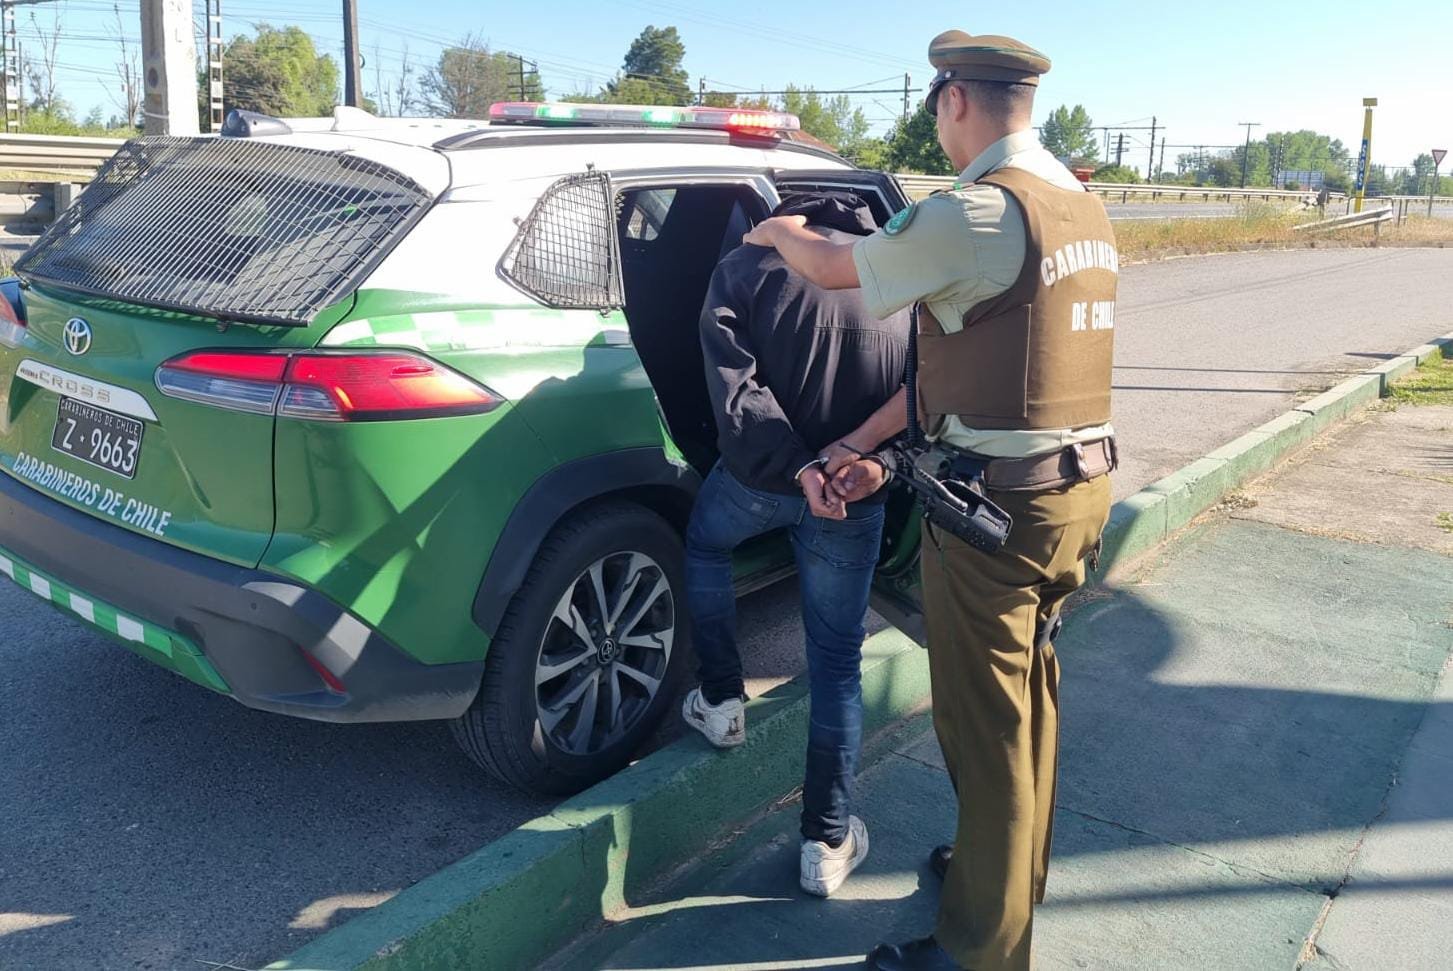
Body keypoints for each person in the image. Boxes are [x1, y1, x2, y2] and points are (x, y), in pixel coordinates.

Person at [741, 30, 1118, 971]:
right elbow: (971, 373)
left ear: (954, 100)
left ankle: (978, 952)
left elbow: (836, 270)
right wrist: (858, 443)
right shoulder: (1080, 207)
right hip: (1071, 499)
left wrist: (775, 227)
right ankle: (1002, 877)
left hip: (1000, 512)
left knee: (984, 730)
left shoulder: (980, 212)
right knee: (1028, 704)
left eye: (933, 105)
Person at [680, 192, 910, 899]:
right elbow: (928, 391)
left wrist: (798, 469)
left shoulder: (747, 263)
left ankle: (721, 703)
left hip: (763, 478)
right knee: (836, 662)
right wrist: (874, 466)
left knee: (705, 544)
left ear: (787, 218)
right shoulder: (904, 274)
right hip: (855, 490)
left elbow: (734, 387)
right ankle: (826, 840)